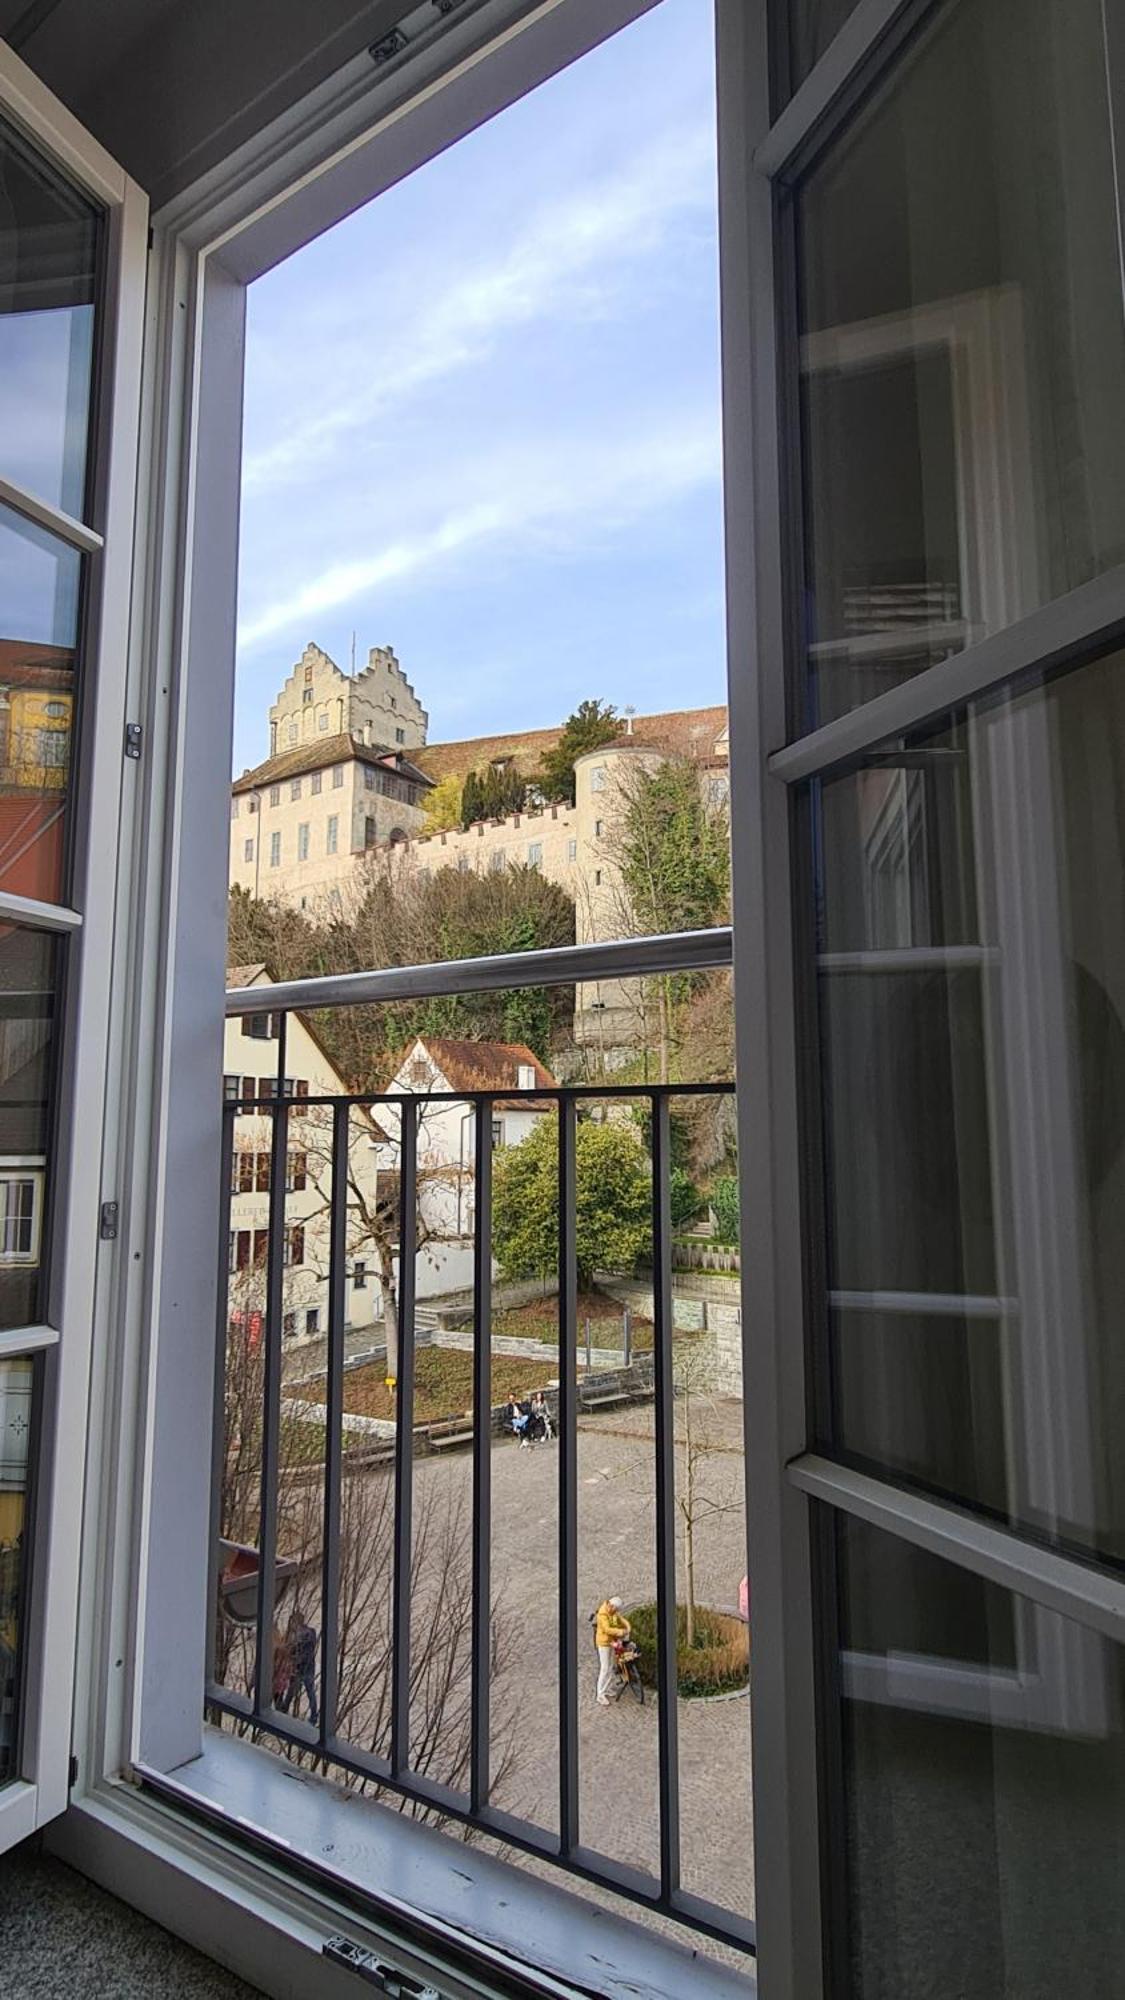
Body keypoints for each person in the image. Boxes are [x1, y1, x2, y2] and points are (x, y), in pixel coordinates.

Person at [279, 1609, 319, 1725]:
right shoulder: (306, 1633)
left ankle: (313, 1716)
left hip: (303, 1668)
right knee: (297, 1690)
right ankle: (312, 1715)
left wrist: (294, 1658)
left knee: (306, 1691)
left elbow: (301, 1653)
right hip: (305, 1667)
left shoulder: (304, 1635)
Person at [594, 1595, 631, 1706]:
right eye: (616, 1609)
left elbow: (620, 1619)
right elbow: (607, 1629)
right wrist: (620, 1632)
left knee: (610, 1667)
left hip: (611, 1642)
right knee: (605, 1668)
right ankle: (600, 1694)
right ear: (612, 1606)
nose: (616, 1612)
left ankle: (607, 1688)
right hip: (604, 1643)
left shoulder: (613, 1611)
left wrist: (627, 1626)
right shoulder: (602, 1614)